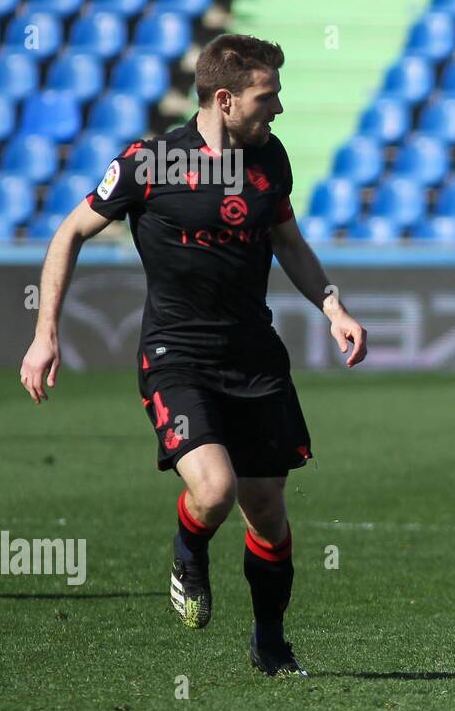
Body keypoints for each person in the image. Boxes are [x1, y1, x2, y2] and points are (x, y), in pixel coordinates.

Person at [19, 35, 368, 677]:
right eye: (269, 97)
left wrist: (332, 305)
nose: (279, 109)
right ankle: (189, 547)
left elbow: (288, 242)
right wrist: (46, 333)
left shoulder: (270, 159)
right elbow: (69, 232)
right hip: (175, 356)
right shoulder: (148, 164)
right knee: (214, 490)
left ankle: (270, 642)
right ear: (226, 98)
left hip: (255, 359)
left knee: (267, 511)